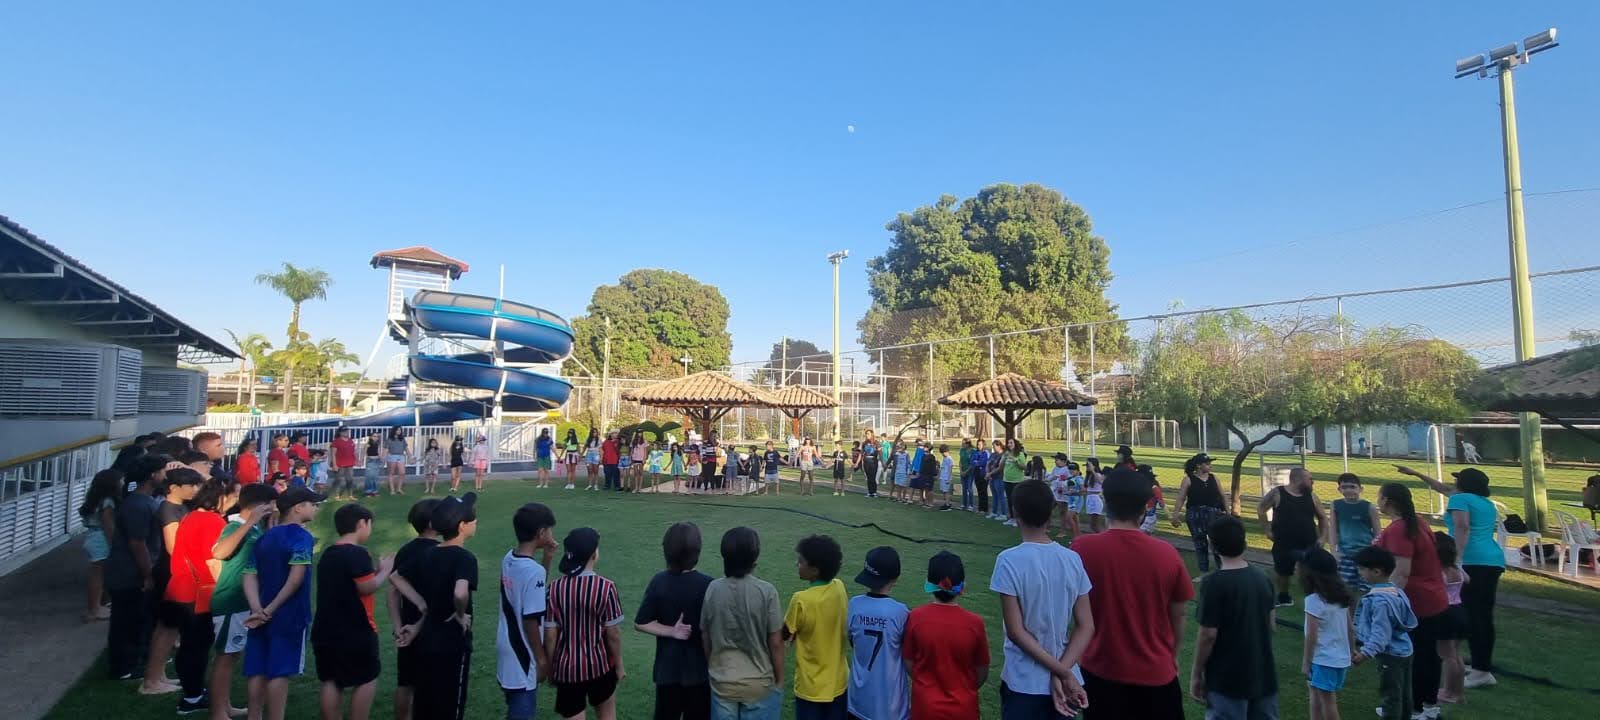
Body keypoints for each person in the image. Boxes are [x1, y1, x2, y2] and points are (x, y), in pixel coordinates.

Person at [1073, 467, 1194, 719]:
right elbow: (1179, 613)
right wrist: (1172, 655)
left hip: (1100, 671)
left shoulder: (1082, 548)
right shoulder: (1166, 554)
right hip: (1156, 673)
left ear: (1106, 503)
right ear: (1143, 509)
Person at [991, 479, 1095, 719]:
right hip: (1066, 678)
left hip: (1024, 682)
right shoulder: (1072, 559)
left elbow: (1016, 632)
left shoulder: (1008, 560)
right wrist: (1063, 671)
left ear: (1015, 512)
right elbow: (1086, 625)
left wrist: (1061, 673)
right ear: (1050, 513)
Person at [1396, 465, 1503, 689]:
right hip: (1492, 560)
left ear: (1464, 484)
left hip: (1472, 560)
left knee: (1470, 615)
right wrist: (1416, 473)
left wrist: (1457, 560)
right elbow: (1442, 488)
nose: (1453, 483)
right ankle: (1480, 666)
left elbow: (1462, 527)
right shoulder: (1484, 502)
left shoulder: (1460, 500)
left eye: (1457, 480)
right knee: (1483, 615)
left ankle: (1480, 671)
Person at [242, 486, 326, 720]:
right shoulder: (302, 537)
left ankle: (254, 716)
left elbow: (249, 574)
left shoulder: (264, 537)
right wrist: (270, 610)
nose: (316, 508)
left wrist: (257, 608)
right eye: (313, 504)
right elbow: (296, 578)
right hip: (289, 615)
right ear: (298, 508)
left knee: (257, 668)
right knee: (279, 671)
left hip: (258, 614)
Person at [1190, 515, 1279, 720]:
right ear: (1244, 542)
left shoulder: (1214, 583)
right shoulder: (1262, 577)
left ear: (1213, 545)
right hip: (1263, 674)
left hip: (1227, 679)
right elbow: (1271, 624)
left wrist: (1196, 673)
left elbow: (1208, 635)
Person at [313, 504, 395, 720]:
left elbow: (347, 581)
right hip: (355, 630)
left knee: (331, 680)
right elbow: (366, 587)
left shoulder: (329, 553)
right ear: (361, 524)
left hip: (325, 629)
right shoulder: (357, 553)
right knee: (366, 677)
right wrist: (385, 572)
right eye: (370, 524)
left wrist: (375, 571)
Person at [1374, 482, 1448, 720]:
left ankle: (1415, 708)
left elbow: (1401, 572)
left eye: (1379, 496)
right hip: (1433, 598)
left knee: (1412, 656)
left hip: (1417, 602)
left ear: (1387, 501)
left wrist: (1388, 602)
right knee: (1428, 654)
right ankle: (1428, 706)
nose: (1377, 500)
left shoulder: (1400, 529)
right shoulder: (1417, 522)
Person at [171, 475, 242, 714]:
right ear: (220, 497)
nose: (236, 501)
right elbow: (214, 559)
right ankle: (192, 698)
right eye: (234, 496)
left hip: (182, 588)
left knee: (191, 644)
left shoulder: (192, 516)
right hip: (199, 592)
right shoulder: (212, 521)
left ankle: (192, 693)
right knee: (197, 646)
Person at [208, 483, 279, 720]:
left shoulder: (255, 528)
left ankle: (226, 706)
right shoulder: (235, 526)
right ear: (260, 505)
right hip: (231, 601)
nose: (274, 508)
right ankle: (217, 712)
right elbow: (219, 552)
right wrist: (250, 522)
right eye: (271, 504)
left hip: (243, 602)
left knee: (233, 655)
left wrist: (267, 525)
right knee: (225, 658)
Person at [701, 527, 785, 719]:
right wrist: (780, 680)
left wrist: (713, 666)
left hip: (723, 683)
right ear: (754, 556)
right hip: (760, 684)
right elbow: (775, 642)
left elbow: (705, 635)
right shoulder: (767, 592)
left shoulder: (713, 589)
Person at [545, 527, 626, 720]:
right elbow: (613, 634)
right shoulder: (606, 587)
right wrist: (619, 665)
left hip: (567, 669)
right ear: (593, 555)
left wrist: (551, 668)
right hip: (600, 665)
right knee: (607, 714)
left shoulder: (554, 589)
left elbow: (550, 635)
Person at [636, 522, 714, 720]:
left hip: (667, 671)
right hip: (699, 672)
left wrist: (671, 631)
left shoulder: (659, 581)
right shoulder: (709, 584)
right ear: (697, 551)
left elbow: (641, 622)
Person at [412, 493, 480, 720]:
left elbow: (396, 577)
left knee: (425, 701)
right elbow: (460, 592)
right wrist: (460, 613)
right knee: (451, 703)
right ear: (462, 526)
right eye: (472, 519)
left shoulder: (428, 553)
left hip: (427, 636)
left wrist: (421, 604)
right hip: (453, 641)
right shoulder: (465, 558)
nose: (475, 522)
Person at [902, 550, 989, 720]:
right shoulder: (975, 623)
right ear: (962, 585)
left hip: (925, 708)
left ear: (929, 583)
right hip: (964, 709)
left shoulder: (916, 617)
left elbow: (909, 663)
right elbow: (982, 671)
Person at [104, 458, 164, 684]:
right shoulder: (138, 505)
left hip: (132, 572)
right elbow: (137, 543)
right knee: (126, 621)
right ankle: (124, 667)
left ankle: (135, 661)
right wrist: (148, 575)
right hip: (128, 573)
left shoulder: (142, 501)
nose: (165, 476)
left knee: (137, 620)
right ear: (152, 475)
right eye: (162, 471)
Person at [499, 503, 559, 720]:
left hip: (506, 645)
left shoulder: (509, 558)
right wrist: (541, 659)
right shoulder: (533, 572)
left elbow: (532, 591)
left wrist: (548, 558)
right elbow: (530, 620)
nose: (551, 535)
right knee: (522, 709)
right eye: (549, 530)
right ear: (541, 533)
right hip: (523, 653)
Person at [147, 466, 203, 694]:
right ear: (173, 488)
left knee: (169, 626)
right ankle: (151, 681)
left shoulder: (181, 506)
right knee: (167, 627)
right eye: (191, 485)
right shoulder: (168, 509)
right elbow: (173, 547)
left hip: (177, 570)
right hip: (170, 572)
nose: (196, 489)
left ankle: (159, 675)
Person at [784, 535, 849, 720]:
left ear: (814, 570)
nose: (797, 564)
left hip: (811, 686)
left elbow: (786, 635)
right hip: (838, 682)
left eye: (801, 561)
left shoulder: (801, 600)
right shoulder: (839, 587)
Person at [385, 499, 439, 720]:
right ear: (432, 523)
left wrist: (398, 627)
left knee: (406, 681)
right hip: (430, 626)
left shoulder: (405, 550)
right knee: (431, 683)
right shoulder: (438, 553)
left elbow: (392, 591)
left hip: (406, 628)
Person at [1352, 546, 1418, 720]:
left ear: (1376, 571)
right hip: (1405, 650)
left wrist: (1364, 654)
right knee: (1404, 693)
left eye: (1362, 569)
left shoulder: (1379, 602)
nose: (1359, 573)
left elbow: (1381, 636)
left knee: (1391, 696)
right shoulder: (1396, 592)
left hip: (1391, 655)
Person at [845, 547, 909, 720]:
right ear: (895, 578)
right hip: (891, 707)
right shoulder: (900, 612)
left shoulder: (854, 605)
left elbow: (852, 640)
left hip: (857, 701)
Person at [1257, 467, 1327, 607]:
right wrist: (1267, 530)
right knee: (1282, 572)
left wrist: (1322, 537)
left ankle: (1312, 599)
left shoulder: (1312, 497)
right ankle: (1284, 597)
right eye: (1310, 479)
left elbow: (1323, 517)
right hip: (1283, 542)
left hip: (1308, 541)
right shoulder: (1277, 493)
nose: (1312, 482)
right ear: (1297, 479)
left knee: (1308, 573)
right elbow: (1261, 509)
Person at [1298, 549, 1354, 720]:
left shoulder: (1313, 601)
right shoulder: (1341, 597)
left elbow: (1311, 635)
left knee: (1327, 701)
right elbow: (1350, 628)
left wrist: (1306, 662)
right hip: (1340, 659)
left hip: (1323, 660)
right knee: (1315, 693)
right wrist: (1351, 651)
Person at [1170, 453, 1229, 575]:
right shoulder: (1188, 479)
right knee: (1200, 543)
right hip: (1195, 514)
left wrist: (1228, 512)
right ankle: (1204, 571)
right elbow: (1181, 498)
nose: (1210, 466)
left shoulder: (1214, 478)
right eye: (1207, 464)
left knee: (1217, 542)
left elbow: (1223, 495)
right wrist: (1175, 514)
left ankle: (1223, 570)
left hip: (1214, 513)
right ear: (1198, 465)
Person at [80, 468, 121, 623]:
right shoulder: (108, 501)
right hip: (101, 539)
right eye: (120, 481)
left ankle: (98, 606)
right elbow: (108, 525)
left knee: (99, 574)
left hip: (93, 537)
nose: (122, 483)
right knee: (98, 575)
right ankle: (94, 609)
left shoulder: (95, 498)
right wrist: (114, 545)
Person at [1328, 473, 1379, 593]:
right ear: (1339, 489)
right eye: (1344, 487)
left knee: (1366, 588)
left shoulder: (1369, 507)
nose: (1348, 490)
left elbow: (1377, 533)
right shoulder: (1336, 505)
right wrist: (1334, 551)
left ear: (1361, 489)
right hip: (1345, 553)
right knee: (1345, 588)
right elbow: (1333, 530)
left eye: (1352, 487)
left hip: (1366, 552)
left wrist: (1376, 553)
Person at [1434, 533, 1467, 705]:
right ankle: (1458, 693)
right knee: (1456, 653)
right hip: (1459, 611)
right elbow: (1467, 579)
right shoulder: (1457, 570)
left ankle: (1448, 692)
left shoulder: (1440, 573)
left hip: (1445, 613)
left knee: (1447, 655)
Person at [1080, 457, 1105, 533]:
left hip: (1096, 499)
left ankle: (1101, 537)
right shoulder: (1089, 476)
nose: (1087, 467)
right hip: (1089, 498)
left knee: (1094, 524)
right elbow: (1085, 489)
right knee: (1092, 525)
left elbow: (1100, 481)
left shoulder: (1097, 474)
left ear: (1094, 466)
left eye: (1088, 465)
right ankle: (1097, 536)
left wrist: (1093, 470)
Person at [331, 429, 358, 499]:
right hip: (340, 464)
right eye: (344, 431)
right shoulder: (336, 442)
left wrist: (357, 460)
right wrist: (334, 465)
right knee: (338, 480)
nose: (346, 432)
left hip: (350, 464)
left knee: (350, 479)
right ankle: (337, 495)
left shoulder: (350, 441)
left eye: (347, 431)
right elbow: (333, 454)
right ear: (340, 433)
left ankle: (350, 495)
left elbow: (354, 451)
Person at [985, 440, 1007, 521]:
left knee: (1001, 496)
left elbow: (1000, 468)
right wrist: (987, 473)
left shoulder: (1003, 455)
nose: (993, 448)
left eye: (994, 446)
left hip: (999, 477)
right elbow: (988, 464)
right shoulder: (993, 454)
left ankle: (1003, 514)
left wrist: (990, 473)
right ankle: (994, 512)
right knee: (994, 496)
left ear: (999, 446)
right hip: (992, 478)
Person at [385, 427, 409, 496]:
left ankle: (399, 489)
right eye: (398, 430)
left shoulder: (402, 439)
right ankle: (392, 490)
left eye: (400, 430)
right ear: (394, 431)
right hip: (392, 456)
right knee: (391, 473)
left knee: (402, 472)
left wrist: (410, 456)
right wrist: (383, 457)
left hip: (401, 456)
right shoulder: (389, 439)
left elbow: (406, 449)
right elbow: (386, 449)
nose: (399, 431)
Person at [970, 439, 990, 514]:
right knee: (979, 491)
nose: (978, 446)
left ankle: (984, 509)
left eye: (980, 444)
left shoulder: (986, 453)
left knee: (983, 491)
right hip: (976, 474)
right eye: (978, 444)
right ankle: (980, 508)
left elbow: (983, 462)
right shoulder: (976, 452)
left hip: (983, 474)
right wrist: (976, 462)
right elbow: (972, 461)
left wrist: (977, 462)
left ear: (983, 445)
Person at [364, 433, 384, 497]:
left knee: (375, 477)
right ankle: (368, 492)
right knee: (369, 477)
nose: (376, 438)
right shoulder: (368, 444)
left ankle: (375, 491)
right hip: (370, 461)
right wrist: (362, 460)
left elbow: (378, 453)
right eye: (374, 436)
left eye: (377, 436)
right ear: (370, 437)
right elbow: (364, 452)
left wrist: (381, 459)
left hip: (376, 461)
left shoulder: (377, 444)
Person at [861, 432, 880, 499]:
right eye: (866, 434)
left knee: (873, 477)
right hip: (866, 461)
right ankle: (869, 492)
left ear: (872, 434)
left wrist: (883, 462)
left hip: (873, 461)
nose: (867, 435)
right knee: (868, 477)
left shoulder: (876, 442)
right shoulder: (864, 443)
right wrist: (858, 462)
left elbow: (880, 452)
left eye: (868, 434)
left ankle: (874, 492)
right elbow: (861, 453)